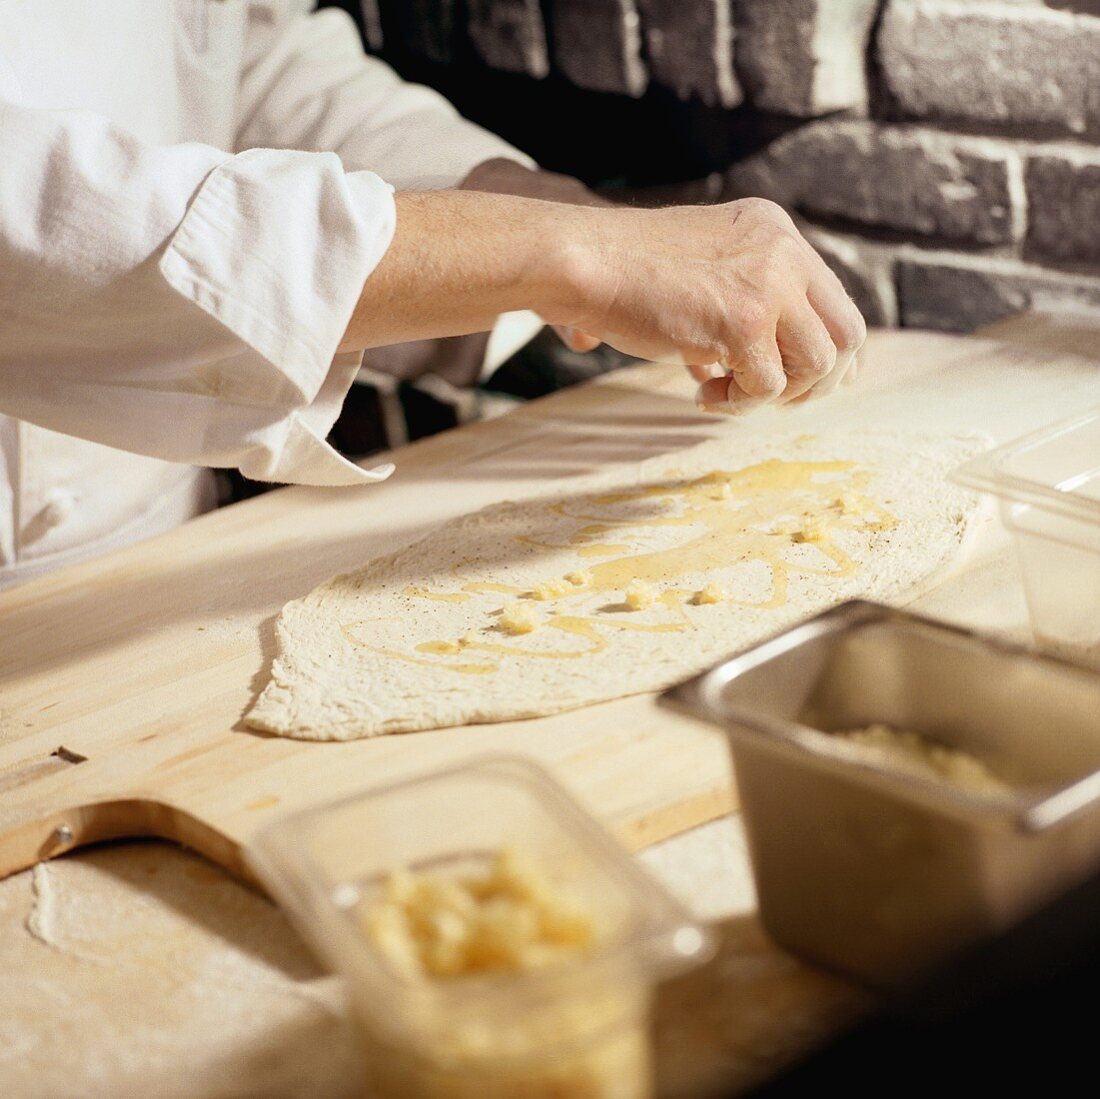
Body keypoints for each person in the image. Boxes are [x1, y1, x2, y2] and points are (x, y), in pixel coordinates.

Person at [0, 1, 865, 590]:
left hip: (160, 560)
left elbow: (249, 59)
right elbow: (36, 220)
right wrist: (564, 255)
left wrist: (548, 208)